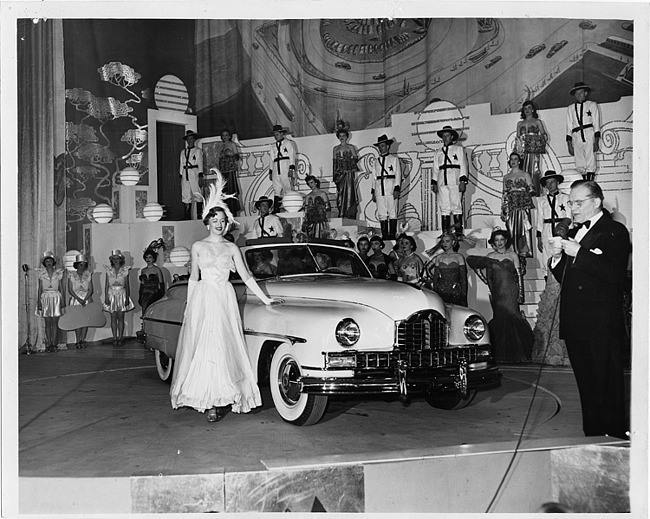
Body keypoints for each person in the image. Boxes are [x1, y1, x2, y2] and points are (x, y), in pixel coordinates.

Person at [170, 177, 282, 423]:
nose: (219, 224)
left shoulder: (232, 249)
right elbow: (194, 278)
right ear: (207, 221)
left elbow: (247, 276)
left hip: (224, 297)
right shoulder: (197, 246)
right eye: (215, 220)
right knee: (205, 347)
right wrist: (189, 306)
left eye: (223, 221)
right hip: (204, 297)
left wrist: (266, 300)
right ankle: (209, 400)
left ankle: (224, 396)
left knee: (223, 347)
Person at [549, 180, 630, 439]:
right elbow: (569, 278)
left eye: (578, 202)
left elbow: (614, 273)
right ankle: (593, 435)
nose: (572, 208)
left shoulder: (614, 230)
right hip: (576, 323)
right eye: (570, 203)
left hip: (601, 324)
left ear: (595, 202)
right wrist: (558, 258)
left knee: (608, 384)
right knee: (586, 386)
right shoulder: (575, 234)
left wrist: (579, 252)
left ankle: (615, 438)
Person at [467, 230, 533, 363]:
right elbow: (480, 270)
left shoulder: (513, 255)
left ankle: (518, 354)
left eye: (502, 239)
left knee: (513, 317)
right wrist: (486, 282)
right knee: (500, 318)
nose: (500, 242)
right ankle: (500, 354)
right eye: (497, 240)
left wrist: (521, 293)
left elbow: (519, 276)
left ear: (506, 240)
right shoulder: (490, 256)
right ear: (494, 242)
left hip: (511, 291)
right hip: (498, 293)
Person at [431, 125, 468, 233]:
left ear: (452, 137)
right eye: (444, 136)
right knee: (444, 207)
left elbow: (463, 165)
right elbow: (435, 169)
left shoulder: (459, 149)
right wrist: (434, 183)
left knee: (456, 206)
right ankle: (445, 233)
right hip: (442, 181)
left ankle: (458, 232)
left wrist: (463, 181)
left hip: (455, 180)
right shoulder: (438, 152)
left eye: (447, 135)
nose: (445, 138)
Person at [501, 151, 535, 268]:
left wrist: (525, 189)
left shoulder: (525, 174)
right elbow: (504, 194)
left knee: (522, 229)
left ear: (519, 161)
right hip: (510, 206)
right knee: (511, 230)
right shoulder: (506, 177)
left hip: (522, 205)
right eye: (511, 159)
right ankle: (513, 254)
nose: (513, 161)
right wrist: (503, 210)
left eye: (515, 158)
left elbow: (531, 189)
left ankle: (522, 254)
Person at [536, 170, 571, 275]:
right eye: (547, 183)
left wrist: (569, 233)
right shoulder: (542, 200)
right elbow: (540, 219)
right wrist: (539, 238)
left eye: (552, 182)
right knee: (547, 255)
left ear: (557, 183)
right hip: (547, 230)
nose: (550, 185)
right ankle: (548, 280)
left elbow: (569, 217)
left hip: (561, 230)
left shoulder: (566, 198)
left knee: (562, 253)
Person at [566, 82, 601, 181]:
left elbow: (596, 124)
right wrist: (569, 145)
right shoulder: (570, 108)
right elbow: (568, 127)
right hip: (576, 136)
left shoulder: (592, 105)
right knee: (579, 161)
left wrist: (596, 141)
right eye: (576, 93)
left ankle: (590, 183)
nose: (578, 95)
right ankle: (583, 183)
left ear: (585, 93)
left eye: (581, 92)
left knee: (590, 160)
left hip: (589, 134)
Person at [370, 134, 401, 240]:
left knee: (392, 212)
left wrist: (397, 188)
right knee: (382, 213)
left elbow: (398, 174)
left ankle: (392, 234)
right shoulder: (376, 161)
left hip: (390, 187)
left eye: (383, 146)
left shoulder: (394, 159)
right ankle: (385, 235)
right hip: (379, 189)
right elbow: (374, 177)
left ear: (387, 146)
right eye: (379, 146)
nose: (381, 148)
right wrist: (373, 191)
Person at [425, 232, 468, 306]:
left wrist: (464, 296)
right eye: (443, 241)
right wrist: (436, 289)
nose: (445, 243)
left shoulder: (459, 257)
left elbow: (463, 278)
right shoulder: (439, 257)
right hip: (441, 290)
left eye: (447, 241)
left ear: (453, 242)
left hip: (456, 289)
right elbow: (435, 277)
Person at [35, 250, 66, 352]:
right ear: (44, 263)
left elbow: (61, 288)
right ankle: (48, 343)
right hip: (45, 297)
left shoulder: (58, 273)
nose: (49, 263)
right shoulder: (41, 273)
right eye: (47, 261)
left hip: (56, 297)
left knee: (55, 322)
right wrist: (39, 301)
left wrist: (62, 301)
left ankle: (54, 344)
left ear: (53, 262)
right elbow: (40, 288)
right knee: (47, 322)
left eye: (50, 261)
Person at [103, 249, 134, 346]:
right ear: (111, 260)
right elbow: (106, 285)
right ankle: (114, 337)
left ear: (121, 260)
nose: (116, 260)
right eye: (114, 259)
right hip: (111, 294)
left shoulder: (125, 270)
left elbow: (127, 285)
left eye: (117, 258)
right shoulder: (109, 270)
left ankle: (120, 337)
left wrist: (127, 298)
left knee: (121, 317)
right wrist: (106, 298)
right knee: (113, 317)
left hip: (122, 294)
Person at [516, 101, 548, 196]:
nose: (527, 110)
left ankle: (535, 191)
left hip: (533, 151)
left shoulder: (537, 122)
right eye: (525, 108)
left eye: (529, 108)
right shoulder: (519, 124)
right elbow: (518, 138)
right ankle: (524, 192)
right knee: (522, 170)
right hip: (522, 151)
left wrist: (539, 140)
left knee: (534, 169)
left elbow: (544, 135)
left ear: (533, 109)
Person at [207, 128, 241, 215]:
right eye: (223, 135)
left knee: (231, 189)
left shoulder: (232, 144)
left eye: (226, 135)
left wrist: (231, 154)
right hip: (223, 171)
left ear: (229, 136)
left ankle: (233, 210)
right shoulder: (221, 146)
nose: (225, 137)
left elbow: (237, 157)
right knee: (223, 190)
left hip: (230, 170)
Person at [67, 253, 94, 349]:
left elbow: (91, 289)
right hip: (76, 299)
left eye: (84, 264)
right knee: (77, 321)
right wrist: (78, 299)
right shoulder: (71, 275)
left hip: (86, 299)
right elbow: (70, 289)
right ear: (77, 265)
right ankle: (77, 340)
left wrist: (85, 299)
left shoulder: (88, 274)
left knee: (85, 321)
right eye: (80, 264)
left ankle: (82, 339)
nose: (82, 266)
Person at [268, 124, 297, 212]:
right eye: (274, 135)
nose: (275, 136)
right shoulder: (272, 146)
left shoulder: (288, 143)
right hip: (276, 167)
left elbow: (292, 156)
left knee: (287, 186)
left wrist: (291, 169)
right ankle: (276, 208)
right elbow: (271, 159)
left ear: (281, 134)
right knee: (276, 188)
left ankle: (290, 207)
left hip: (285, 165)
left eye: (277, 134)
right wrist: (270, 171)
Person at [332, 127, 359, 219]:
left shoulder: (351, 147)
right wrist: (335, 176)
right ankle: (342, 212)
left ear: (347, 137)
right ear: (338, 137)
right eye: (340, 136)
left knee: (350, 192)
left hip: (348, 174)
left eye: (343, 135)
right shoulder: (335, 148)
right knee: (341, 193)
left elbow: (355, 159)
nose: (342, 137)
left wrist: (348, 163)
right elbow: (334, 163)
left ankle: (350, 213)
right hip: (340, 174)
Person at [179, 129, 204, 220]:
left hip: (194, 173)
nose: (190, 140)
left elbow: (200, 163)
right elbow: (181, 164)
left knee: (197, 193)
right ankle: (187, 217)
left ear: (194, 140)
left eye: (191, 138)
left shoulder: (197, 151)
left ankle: (199, 216)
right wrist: (180, 175)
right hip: (185, 174)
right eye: (188, 139)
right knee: (186, 195)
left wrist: (200, 175)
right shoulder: (183, 152)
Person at [138, 241, 166, 314]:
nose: (148, 259)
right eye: (147, 257)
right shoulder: (143, 270)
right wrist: (140, 296)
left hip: (155, 294)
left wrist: (162, 295)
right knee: (145, 313)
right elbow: (142, 285)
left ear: (153, 258)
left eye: (150, 257)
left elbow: (161, 283)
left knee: (154, 312)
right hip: (145, 295)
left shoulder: (157, 269)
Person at [301, 175, 330, 240]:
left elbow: (327, 207)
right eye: (308, 184)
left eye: (311, 182)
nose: (310, 185)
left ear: (316, 182)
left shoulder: (322, 194)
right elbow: (306, 210)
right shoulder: (308, 196)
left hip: (321, 220)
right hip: (310, 221)